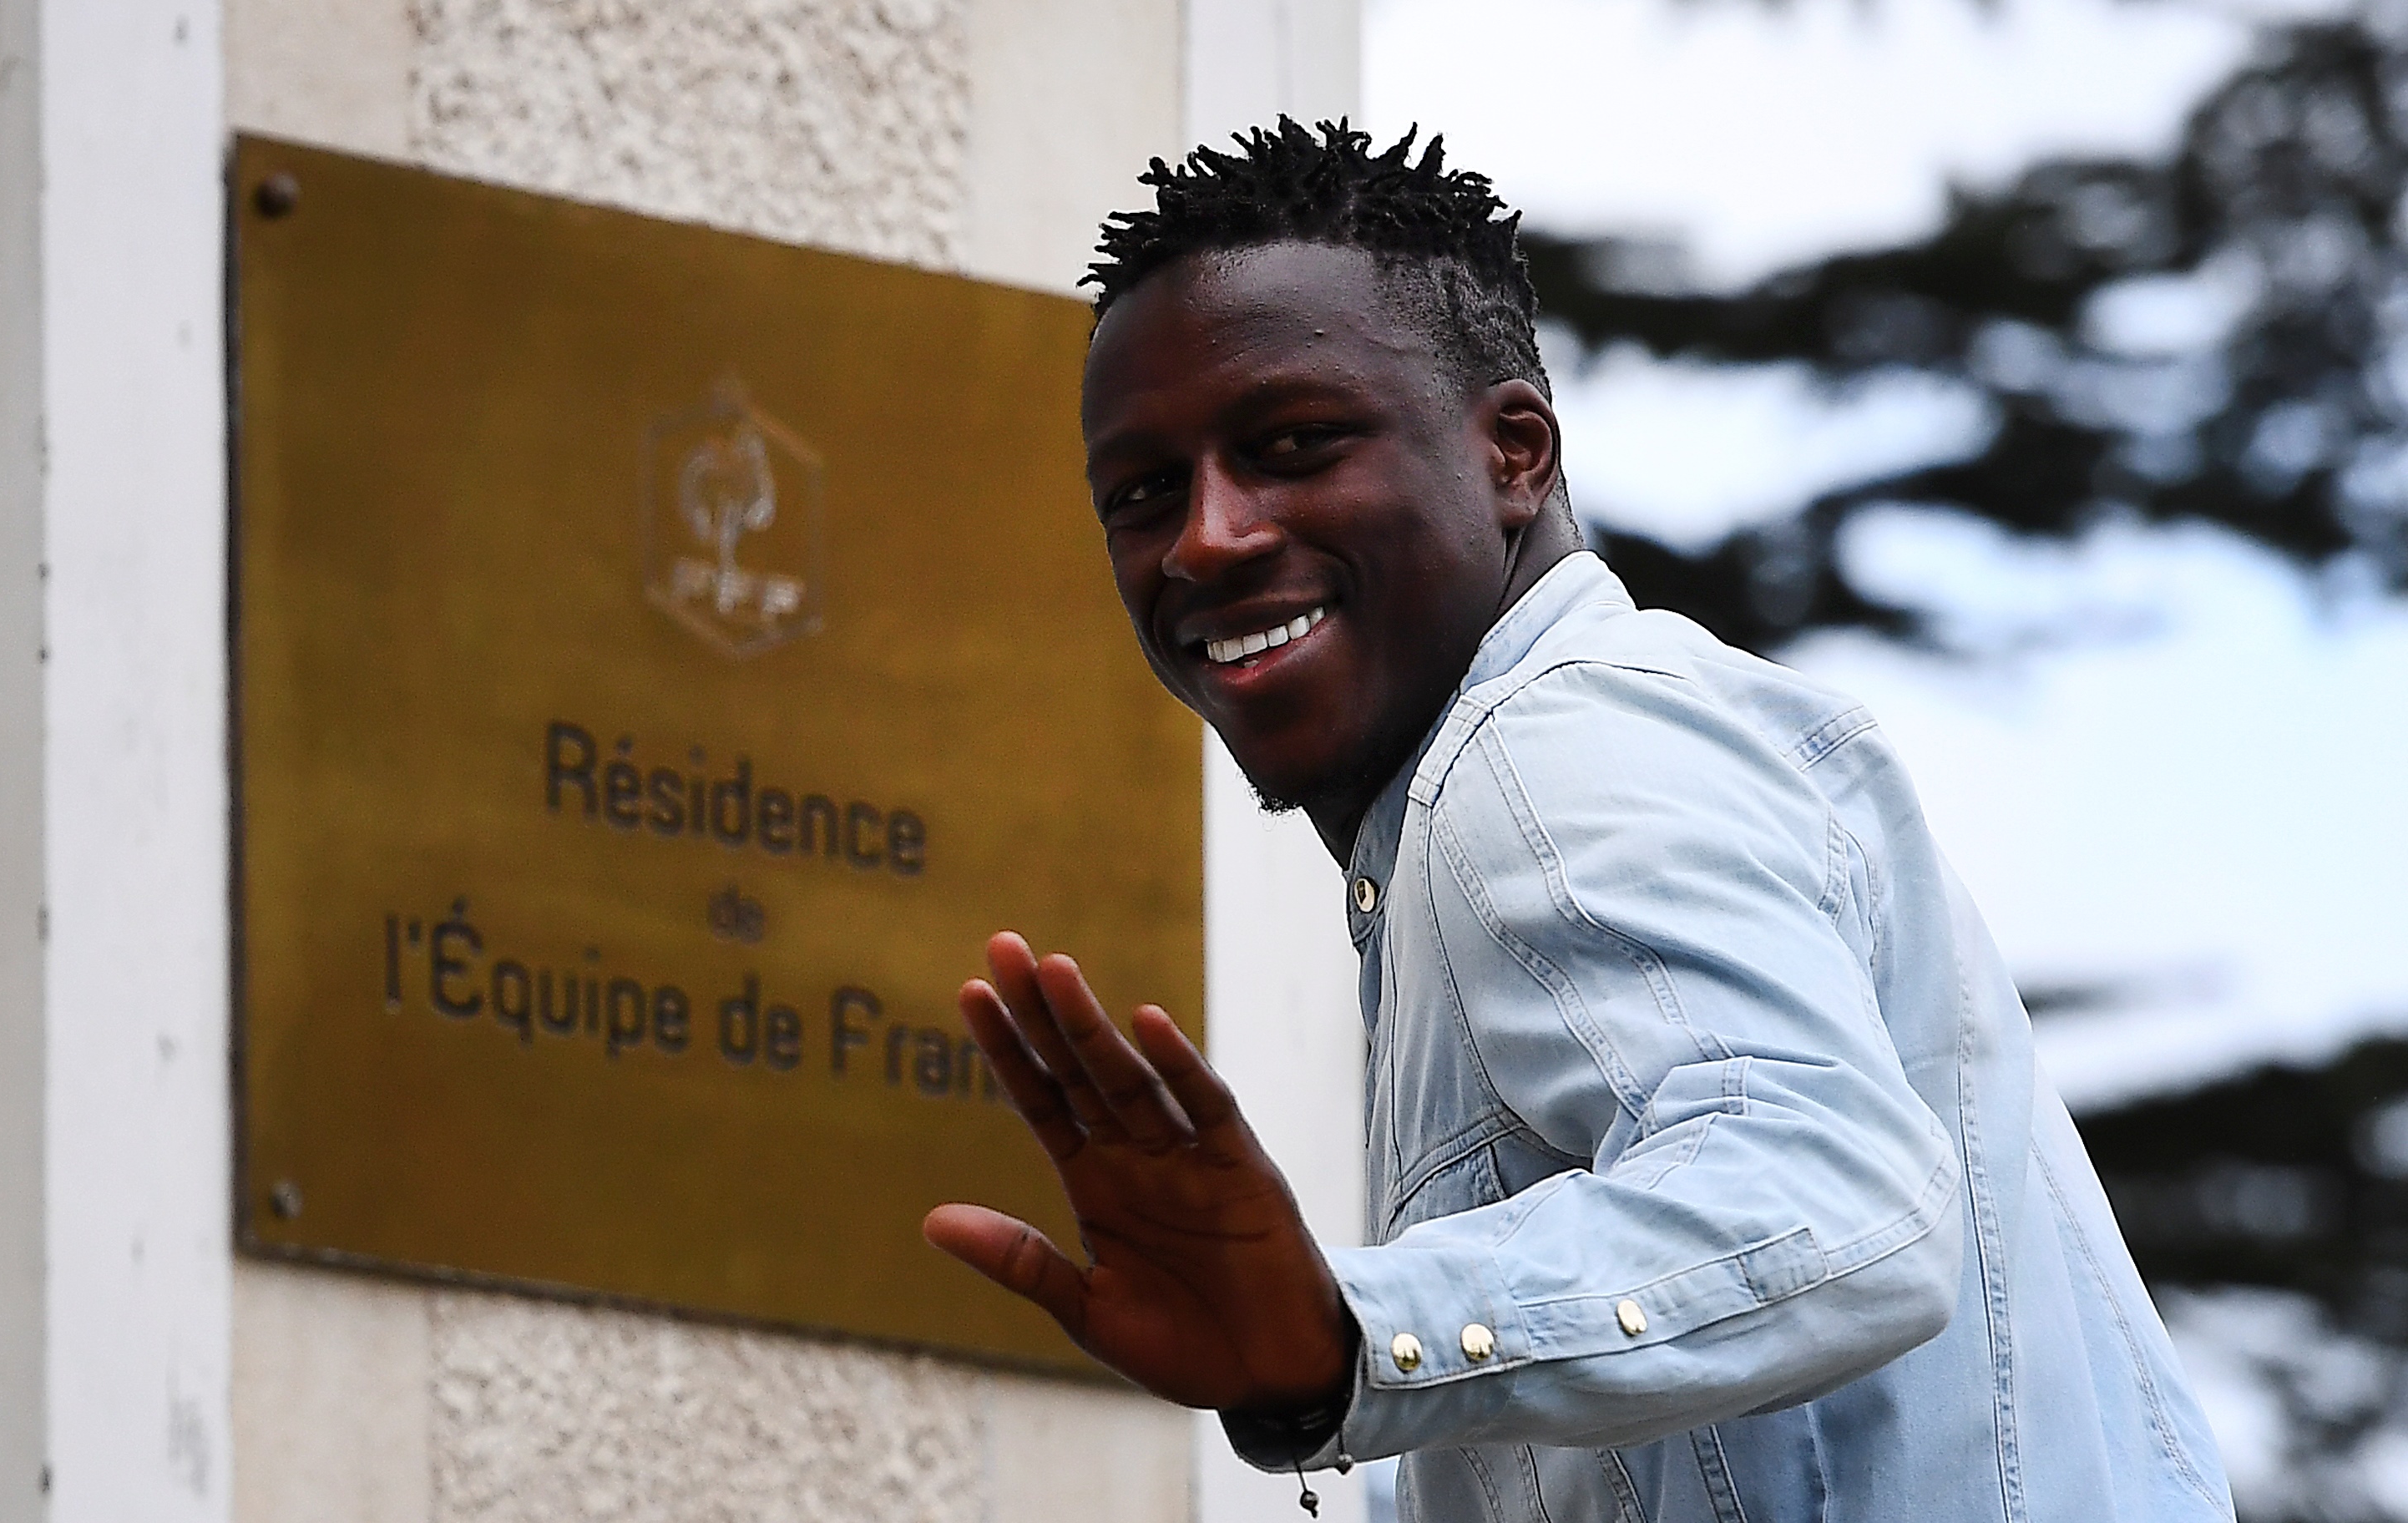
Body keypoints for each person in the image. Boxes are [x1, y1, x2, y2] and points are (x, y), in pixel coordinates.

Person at [921, 119, 2233, 1523]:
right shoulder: (1523, 778)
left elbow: (1832, 1191)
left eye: (1292, 445)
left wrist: (1345, 1335)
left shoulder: (1543, 746)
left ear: (1515, 456)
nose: (1205, 536)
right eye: (1142, 494)